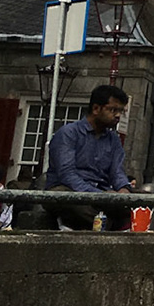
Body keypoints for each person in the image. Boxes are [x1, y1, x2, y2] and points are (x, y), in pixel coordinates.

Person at [45, 85, 134, 230]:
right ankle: (108, 225)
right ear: (96, 109)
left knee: (146, 198)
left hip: (102, 192)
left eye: (121, 111)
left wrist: (124, 189)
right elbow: (67, 175)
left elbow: (117, 172)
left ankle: (111, 223)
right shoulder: (68, 133)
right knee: (66, 198)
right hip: (69, 189)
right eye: (113, 110)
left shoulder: (114, 139)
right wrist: (100, 195)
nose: (118, 115)